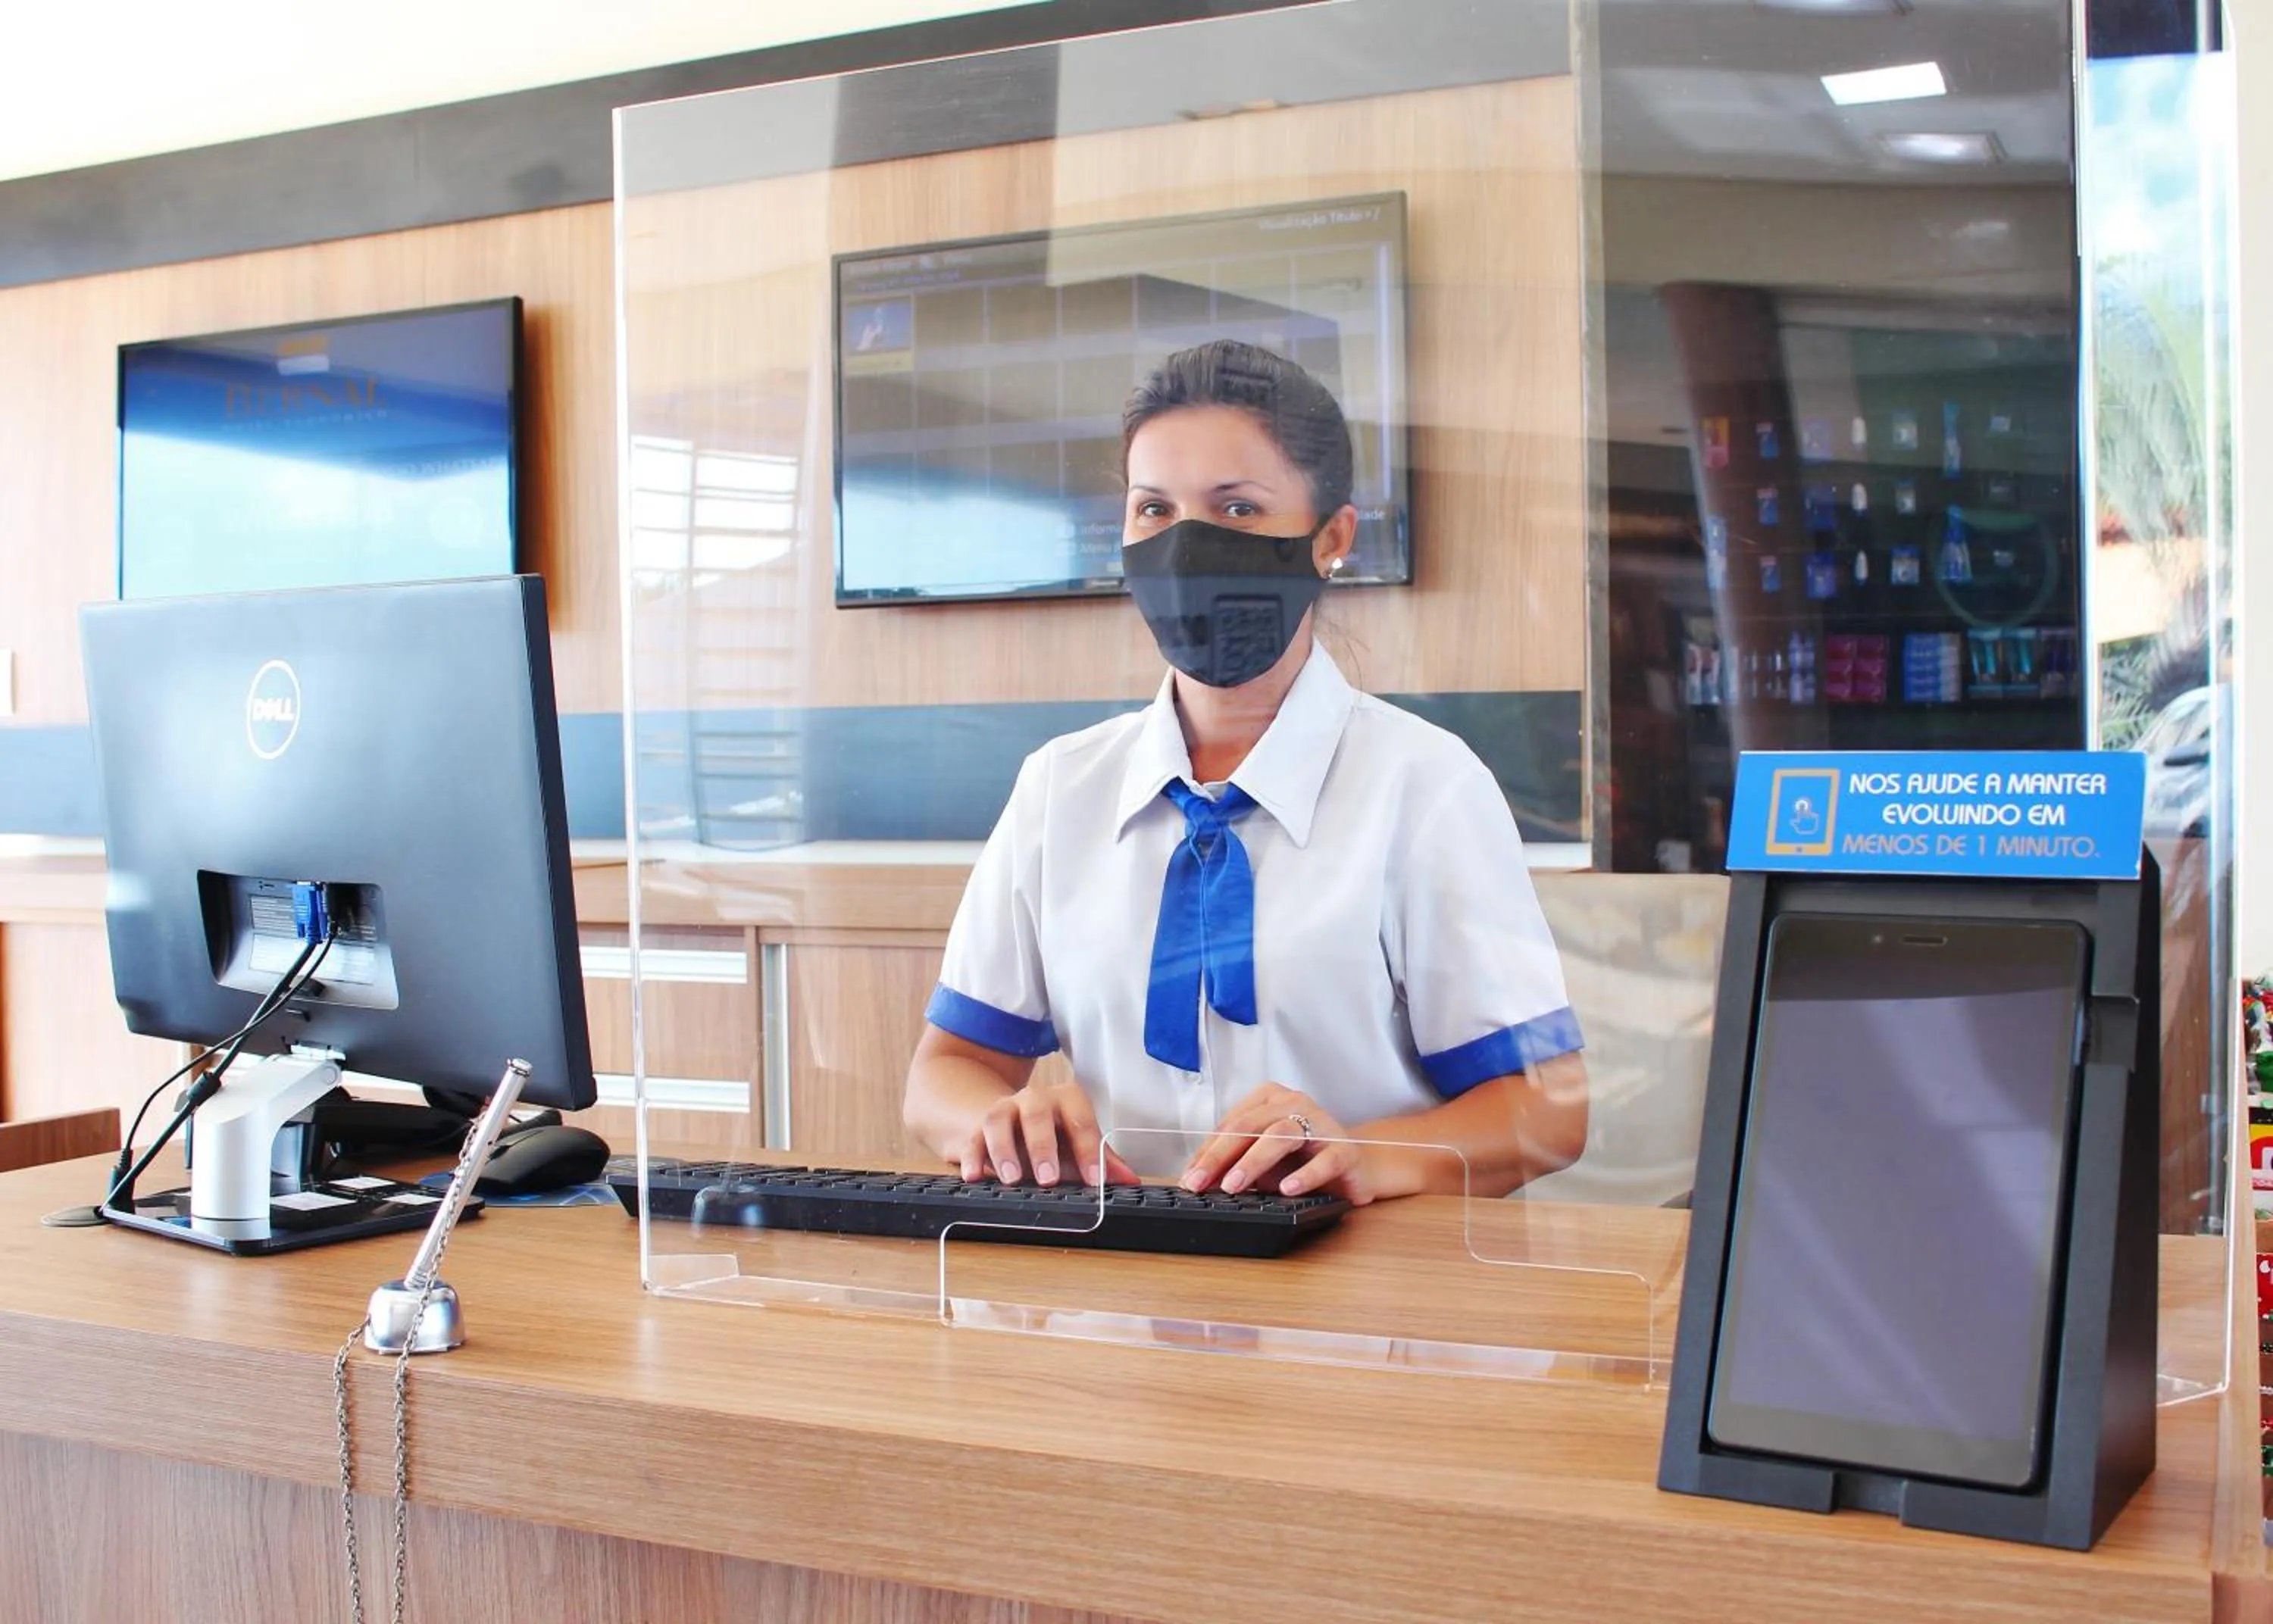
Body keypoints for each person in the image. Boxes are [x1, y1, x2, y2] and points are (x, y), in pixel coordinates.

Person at [902, 339, 1587, 1206]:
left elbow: (1549, 1114)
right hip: (1121, 1289)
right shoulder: (1059, 787)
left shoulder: (1425, 787)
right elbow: (947, 1072)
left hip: (1367, 1299)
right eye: (1154, 509)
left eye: (1236, 509)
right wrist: (996, 1125)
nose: (1187, 546)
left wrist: (1363, 1155)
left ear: (1331, 536)